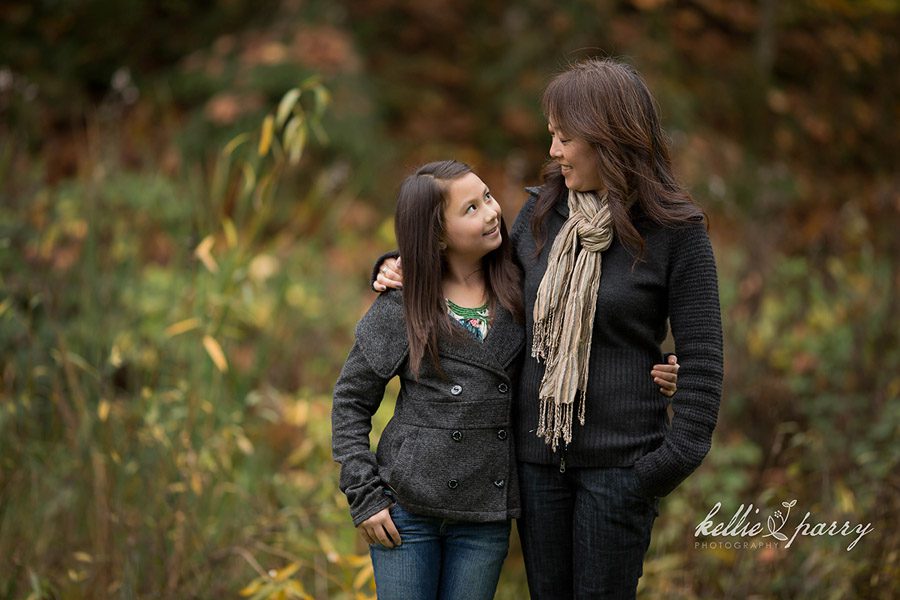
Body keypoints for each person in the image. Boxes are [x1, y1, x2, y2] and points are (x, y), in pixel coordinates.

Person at [373, 57, 722, 598]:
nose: (553, 150)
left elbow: (704, 365)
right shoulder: (544, 211)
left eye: (564, 137)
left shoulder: (676, 231)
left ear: (608, 138)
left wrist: (659, 469)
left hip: (620, 468)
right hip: (536, 464)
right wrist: (398, 264)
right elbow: (478, 276)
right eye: (551, 135)